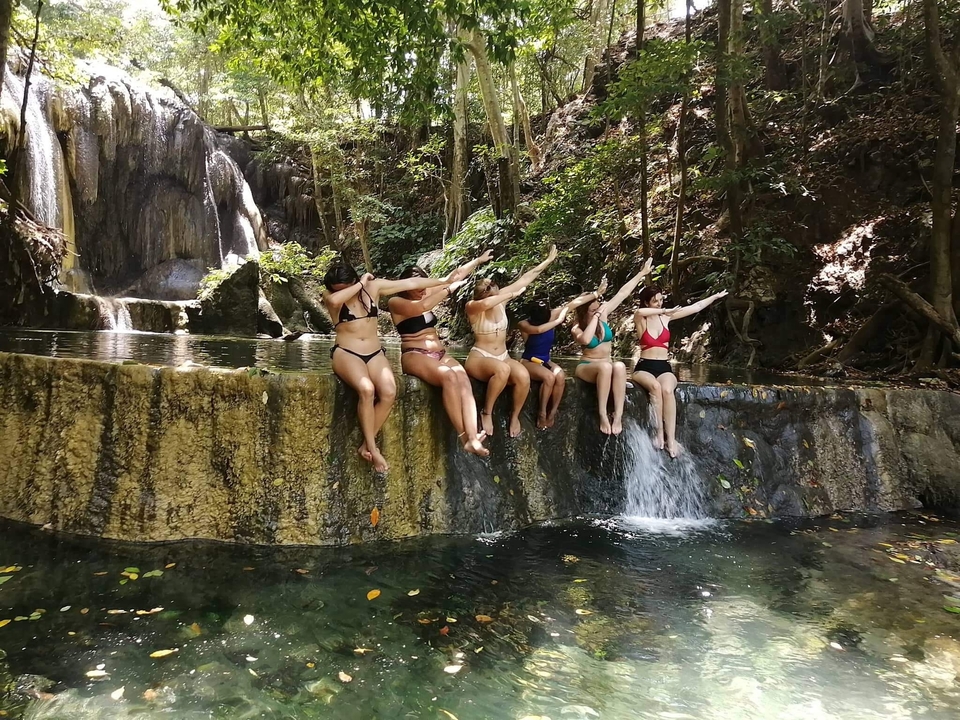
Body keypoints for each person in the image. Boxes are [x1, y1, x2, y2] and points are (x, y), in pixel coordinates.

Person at [323, 262, 448, 473]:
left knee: (389, 392)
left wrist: (445, 281)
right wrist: (361, 283)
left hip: (374, 353)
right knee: (367, 389)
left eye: (346, 286)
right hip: (346, 352)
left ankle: (365, 446)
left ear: (352, 280)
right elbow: (335, 300)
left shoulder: (375, 288)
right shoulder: (330, 296)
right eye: (339, 289)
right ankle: (372, 447)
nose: (342, 292)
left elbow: (410, 282)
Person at [388, 251, 494, 457]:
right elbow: (423, 306)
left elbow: (455, 275)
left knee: (462, 376)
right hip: (414, 353)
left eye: (424, 286)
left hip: (439, 352)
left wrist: (478, 260)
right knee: (448, 376)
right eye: (416, 288)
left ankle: (473, 437)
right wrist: (448, 289)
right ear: (406, 287)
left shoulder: (425, 292)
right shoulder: (396, 302)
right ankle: (464, 436)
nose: (422, 291)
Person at [465, 245, 558, 438]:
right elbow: (486, 303)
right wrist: (510, 295)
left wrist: (547, 262)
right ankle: (487, 412)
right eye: (487, 287)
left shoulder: (500, 300)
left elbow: (524, 279)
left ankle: (514, 416)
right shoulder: (473, 307)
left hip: (503, 355)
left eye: (492, 284)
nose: (493, 287)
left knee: (523, 376)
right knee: (503, 370)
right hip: (481, 356)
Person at [632, 286, 729, 457]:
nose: (660, 303)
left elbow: (696, 307)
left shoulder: (666, 318)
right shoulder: (641, 319)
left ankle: (671, 439)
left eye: (661, 300)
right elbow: (639, 312)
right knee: (654, 387)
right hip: (644, 366)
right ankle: (658, 433)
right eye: (655, 301)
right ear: (647, 302)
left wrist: (714, 296)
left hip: (663, 367)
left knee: (667, 390)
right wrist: (664, 309)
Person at [572, 258, 654, 435]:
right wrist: (596, 317)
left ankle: (617, 415)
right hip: (587, 366)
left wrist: (641, 273)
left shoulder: (603, 314)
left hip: (607, 366)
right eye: (593, 310)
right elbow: (586, 340)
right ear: (584, 311)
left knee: (619, 365)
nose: (598, 311)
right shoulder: (577, 327)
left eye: (598, 308)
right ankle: (602, 413)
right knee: (605, 366)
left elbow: (622, 293)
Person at [518, 283, 605, 429]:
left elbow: (573, 304)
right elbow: (538, 330)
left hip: (545, 360)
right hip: (529, 360)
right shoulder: (523, 324)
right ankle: (542, 412)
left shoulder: (551, 315)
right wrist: (557, 321)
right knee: (549, 377)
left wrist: (596, 294)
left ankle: (552, 412)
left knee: (560, 375)